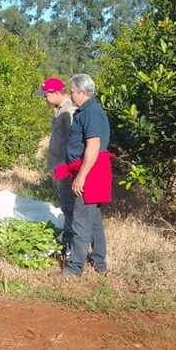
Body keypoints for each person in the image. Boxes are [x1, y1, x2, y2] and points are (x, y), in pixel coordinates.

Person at [56, 73, 112, 278]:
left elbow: (93, 146)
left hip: (90, 173)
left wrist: (81, 177)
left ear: (82, 92)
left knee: (80, 220)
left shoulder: (92, 112)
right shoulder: (86, 111)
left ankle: (74, 267)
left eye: (72, 92)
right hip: (90, 171)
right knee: (94, 220)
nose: (70, 96)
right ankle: (99, 262)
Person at [35, 77, 76, 259]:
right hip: (58, 166)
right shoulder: (59, 110)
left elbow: (74, 142)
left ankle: (69, 248)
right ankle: (67, 244)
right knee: (64, 205)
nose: (44, 99)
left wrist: (67, 169)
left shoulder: (69, 111)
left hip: (65, 168)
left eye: (46, 95)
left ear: (56, 93)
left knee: (69, 208)